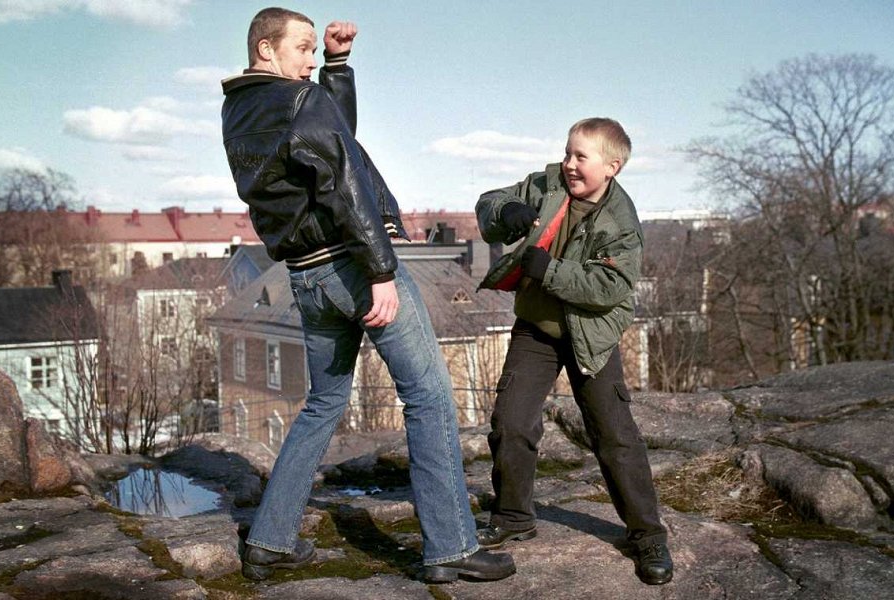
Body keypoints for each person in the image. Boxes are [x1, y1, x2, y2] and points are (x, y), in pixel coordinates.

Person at [220, 7, 515, 584]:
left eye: (314, 50)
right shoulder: (299, 100)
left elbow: (331, 140)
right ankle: (450, 547)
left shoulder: (239, 110)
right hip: (353, 265)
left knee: (324, 404)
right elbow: (343, 176)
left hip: (304, 276)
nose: (309, 59)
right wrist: (380, 268)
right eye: (303, 48)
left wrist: (338, 66)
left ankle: (269, 541)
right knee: (428, 396)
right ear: (266, 50)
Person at [474, 118, 673, 585]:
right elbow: (488, 203)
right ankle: (513, 516)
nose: (569, 164)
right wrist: (507, 212)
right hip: (537, 330)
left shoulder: (621, 221)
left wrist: (548, 270)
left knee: (614, 435)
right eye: (567, 153)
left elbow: (609, 287)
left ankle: (647, 535)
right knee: (511, 422)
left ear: (612, 167)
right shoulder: (547, 185)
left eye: (581, 156)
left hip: (590, 335)